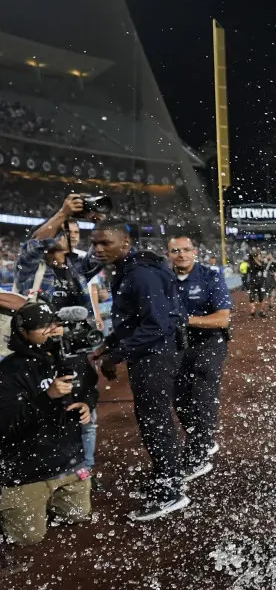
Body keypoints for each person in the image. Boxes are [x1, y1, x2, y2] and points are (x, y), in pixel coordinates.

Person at [88, 219, 193, 521]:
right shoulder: (131, 270)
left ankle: (170, 490)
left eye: (105, 243)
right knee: (154, 419)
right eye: (94, 243)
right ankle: (168, 477)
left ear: (125, 244)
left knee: (155, 421)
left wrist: (114, 357)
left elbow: (156, 324)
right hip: (152, 353)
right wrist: (108, 345)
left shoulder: (141, 274)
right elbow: (134, 321)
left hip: (156, 356)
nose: (97, 249)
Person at [0, 301, 93, 547]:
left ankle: (51, 498)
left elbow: (89, 388)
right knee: (27, 538)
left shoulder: (70, 355)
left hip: (69, 461)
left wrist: (86, 404)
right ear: (24, 332)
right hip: (26, 469)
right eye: (42, 327)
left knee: (77, 516)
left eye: (53, 324)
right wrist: (46, 398)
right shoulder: (9, 371)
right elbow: (6, 423)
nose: (52, 330)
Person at [168, 234, 231, 475]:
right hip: (178, 346)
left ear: (195, 252)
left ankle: (199, 453)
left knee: (202, 396)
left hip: (209, 344)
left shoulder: (210, 276)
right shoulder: (165, 279)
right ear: (168, 255)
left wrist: (185, 320)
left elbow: (223, 319)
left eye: (185, 249)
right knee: (181, 400)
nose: (181, 255)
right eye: (175, 251)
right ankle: (202, 438)